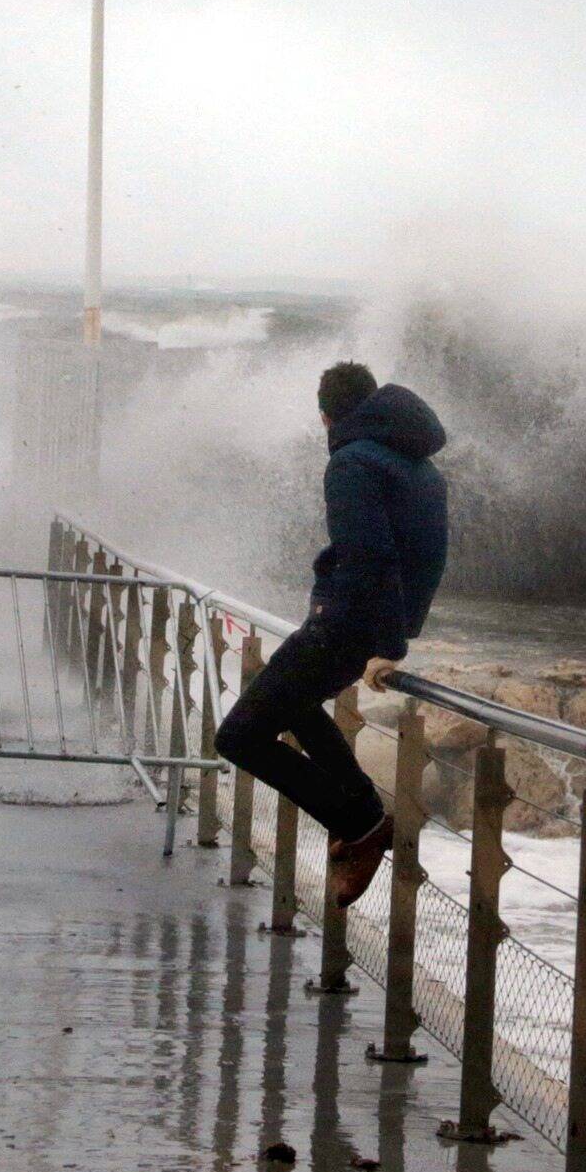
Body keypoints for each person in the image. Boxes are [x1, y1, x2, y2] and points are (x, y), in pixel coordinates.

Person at [216, 362, 449, 906]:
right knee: (292, 703)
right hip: (365, 621)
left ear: (327, 416)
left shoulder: (351, 463)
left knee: (237, 738)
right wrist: (399, 629)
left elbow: (372, 556)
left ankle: (360, 824)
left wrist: (385, 648)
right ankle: (363, 809)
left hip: (349, 626)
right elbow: (426, 558)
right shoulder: (420, 465)